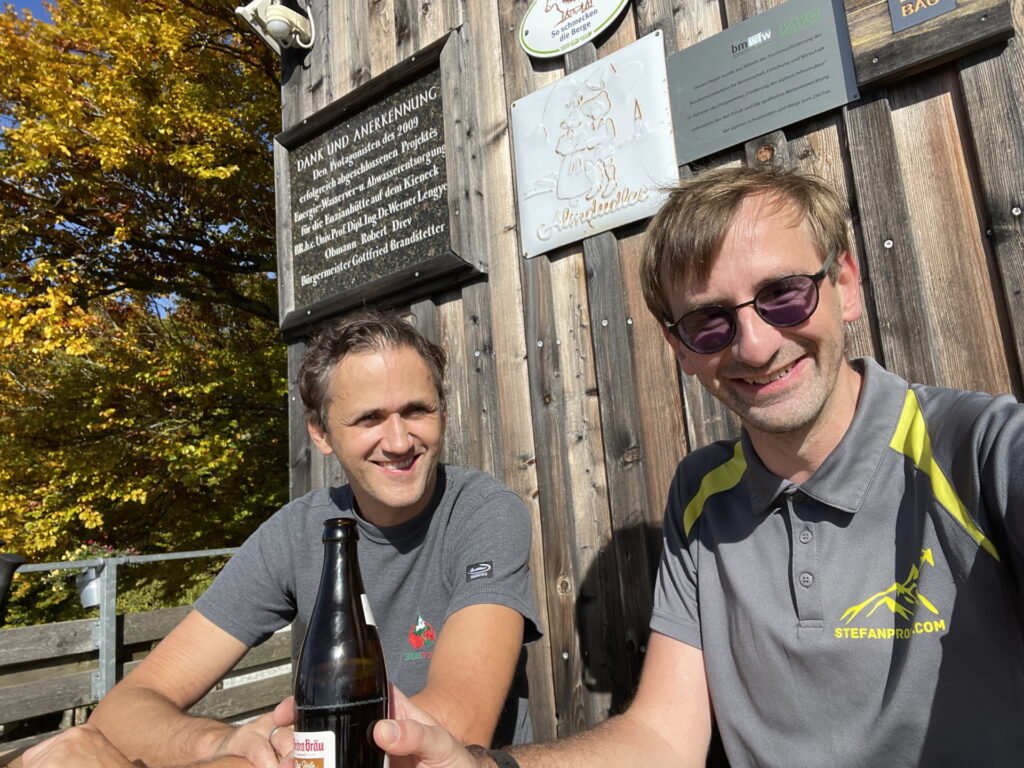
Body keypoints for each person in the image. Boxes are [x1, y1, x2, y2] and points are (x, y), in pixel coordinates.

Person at [371, 165, 1024, 767]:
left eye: (784, 294)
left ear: (845, 284)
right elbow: (662, 736)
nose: (756, 344)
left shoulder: (979, 451)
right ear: (680, 349)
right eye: (710, 323)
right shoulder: (701, 494)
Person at [24, 310, 540, 768]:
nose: (401, 440)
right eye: (369, 419)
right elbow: (125, 707)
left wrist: (300, 746)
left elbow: (453, 728)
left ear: (443, 414)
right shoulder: (295, 533)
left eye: (417, 411)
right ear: (321, 435)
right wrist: (229, 743)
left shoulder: (483, 512)